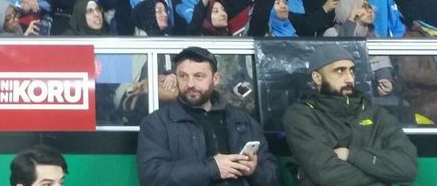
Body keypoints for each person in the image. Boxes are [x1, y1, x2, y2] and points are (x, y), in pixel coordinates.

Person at [137, 46, 279, 186]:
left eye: (199, 76)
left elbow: (273, 175)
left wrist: (254, 171)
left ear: (215, 79)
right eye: (183, 76)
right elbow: (152, 176)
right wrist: (212, 168)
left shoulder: (243, 121)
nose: (190, 84)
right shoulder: (156, 123)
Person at [283, 46, 418, 186]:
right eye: (340, 71)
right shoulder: (302, 116)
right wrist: (384, 174)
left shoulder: (377, 115)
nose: (349, 79)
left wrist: (351, 155)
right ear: (317, 78)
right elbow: (327, 175)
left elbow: (407, 168)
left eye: (352, 71)